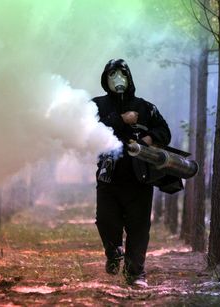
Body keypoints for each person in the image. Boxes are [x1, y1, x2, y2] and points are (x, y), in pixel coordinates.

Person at [92, 59, 171, 287]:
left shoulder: (145, 107)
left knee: (138, 228)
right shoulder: (96, 106)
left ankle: (135, 273)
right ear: (105, 79)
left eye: (122, 73)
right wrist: (121, 120)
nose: (117, 78)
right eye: (112, 74)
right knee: (106, 221)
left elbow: (164, 131)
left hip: (140, 179)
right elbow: (89, 128)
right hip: (109, 178)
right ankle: (113, 253)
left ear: (129, 77)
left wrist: (150, 138)